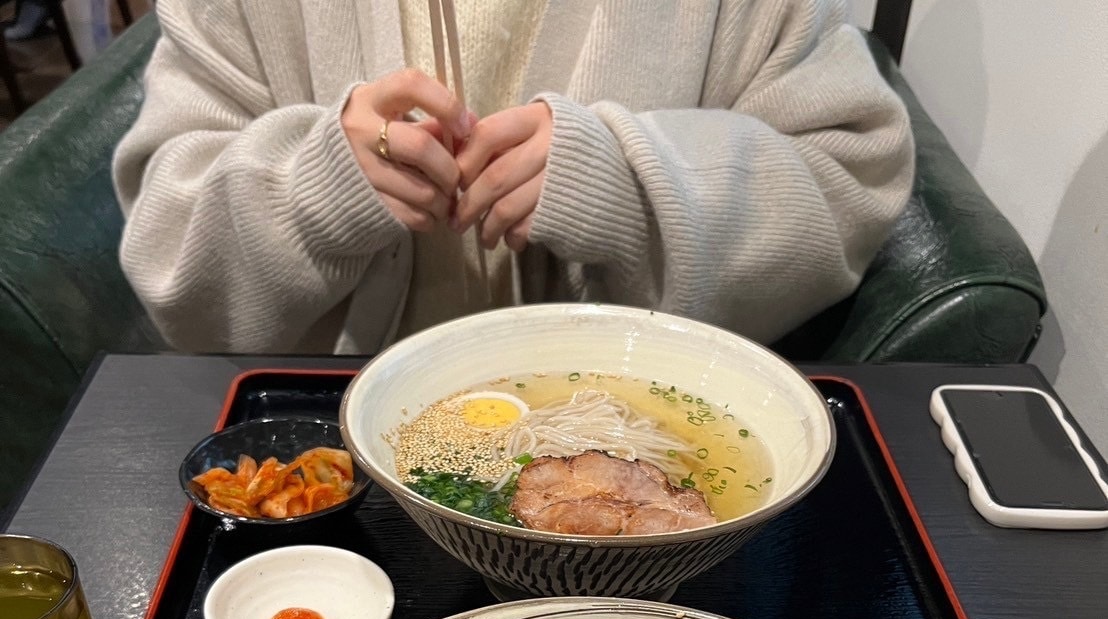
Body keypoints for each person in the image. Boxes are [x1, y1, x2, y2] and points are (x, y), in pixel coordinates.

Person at [113, 0, 913, 355]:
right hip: (330, 456)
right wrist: (311, 195)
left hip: (643, 444)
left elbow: (847, 174)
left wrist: (629, 184)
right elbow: (168, 247)